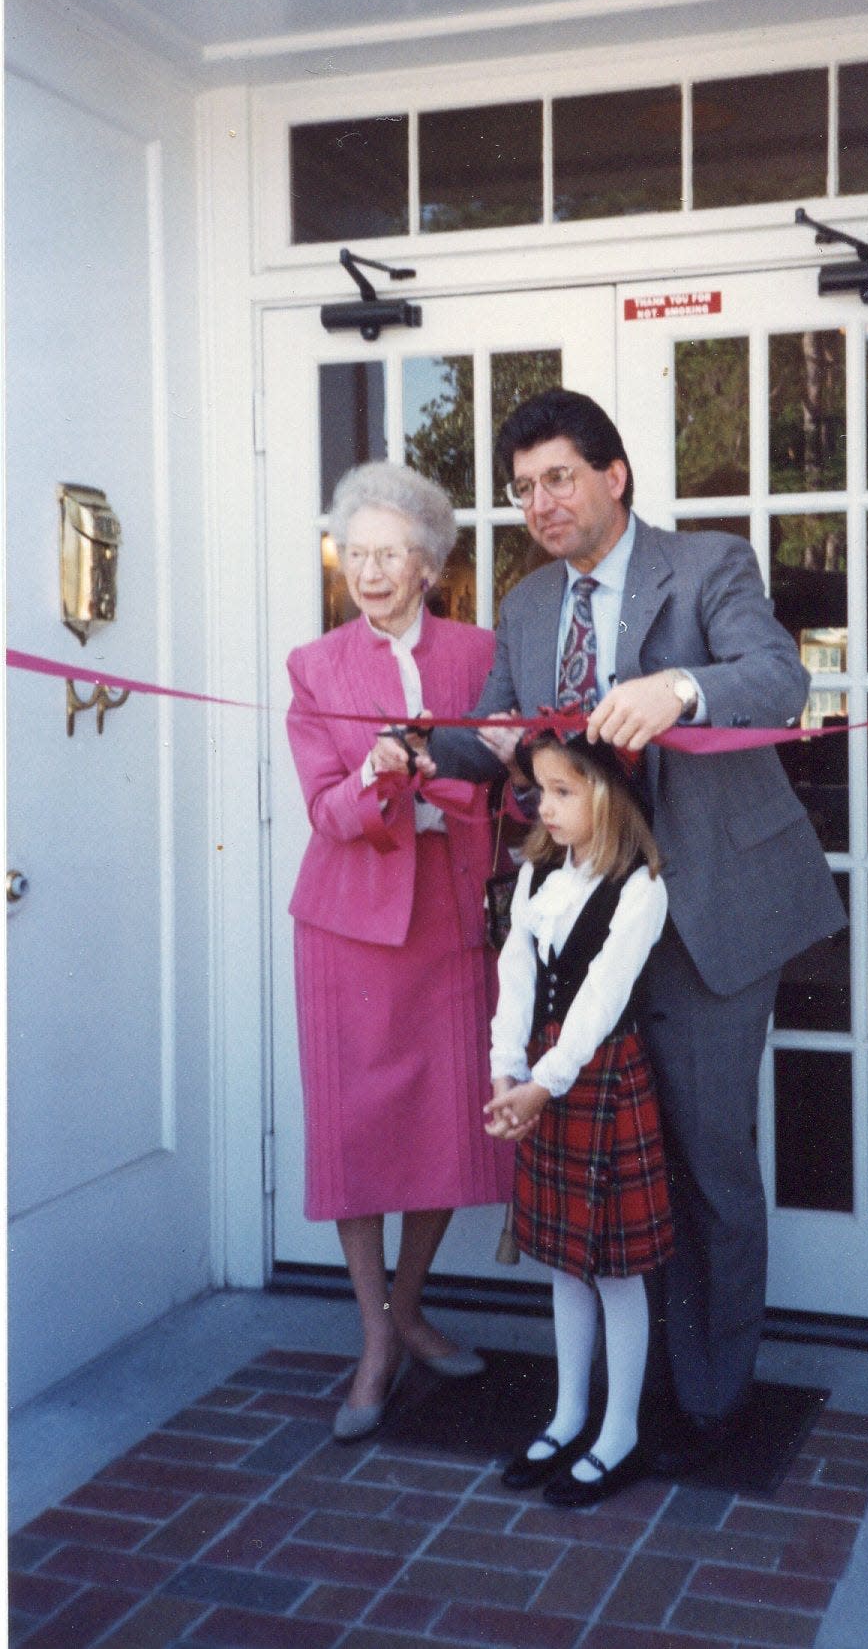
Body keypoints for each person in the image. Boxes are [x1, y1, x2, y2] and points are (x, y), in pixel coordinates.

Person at [430, 388, 846, 1463]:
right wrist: (417, 752)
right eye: (523, 489)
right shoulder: (528, 609)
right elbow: (497, 735)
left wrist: (678, 690)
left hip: (708, 913)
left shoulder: (709, 568)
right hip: (587, 928)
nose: (541, 504)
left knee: (709, 1161)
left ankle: (710, 1399)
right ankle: (626, 1394)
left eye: (559, 478)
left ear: (614, 476)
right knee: (613, 1158)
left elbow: (779, 680)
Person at [286, 460, 514, 1443]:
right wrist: (379, 776)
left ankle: (407, 1308)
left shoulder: (480, 652)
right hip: (349, 927)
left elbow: (508, 783)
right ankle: (374, 1339)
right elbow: (325, 811)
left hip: (451, 921)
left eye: (390, 555)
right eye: (355, 554)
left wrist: (456, 770)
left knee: (440, 1129)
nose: (369, 573)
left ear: (429, 564)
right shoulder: (316, 665)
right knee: (359, 1133)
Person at [484, 725, 671, 1506]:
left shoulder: (639, 889)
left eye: (564, 791)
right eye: (538, 792)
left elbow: (599, 1003)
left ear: (608, 792)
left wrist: (545, 1081)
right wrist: (506, 1068)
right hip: (544, 1080)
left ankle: (618, 1430)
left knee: (615, 1270)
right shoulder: (537, 875)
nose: (545, 808)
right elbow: (515, 975)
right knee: (564, 1259)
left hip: (598, 1080)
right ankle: (567, 1414)